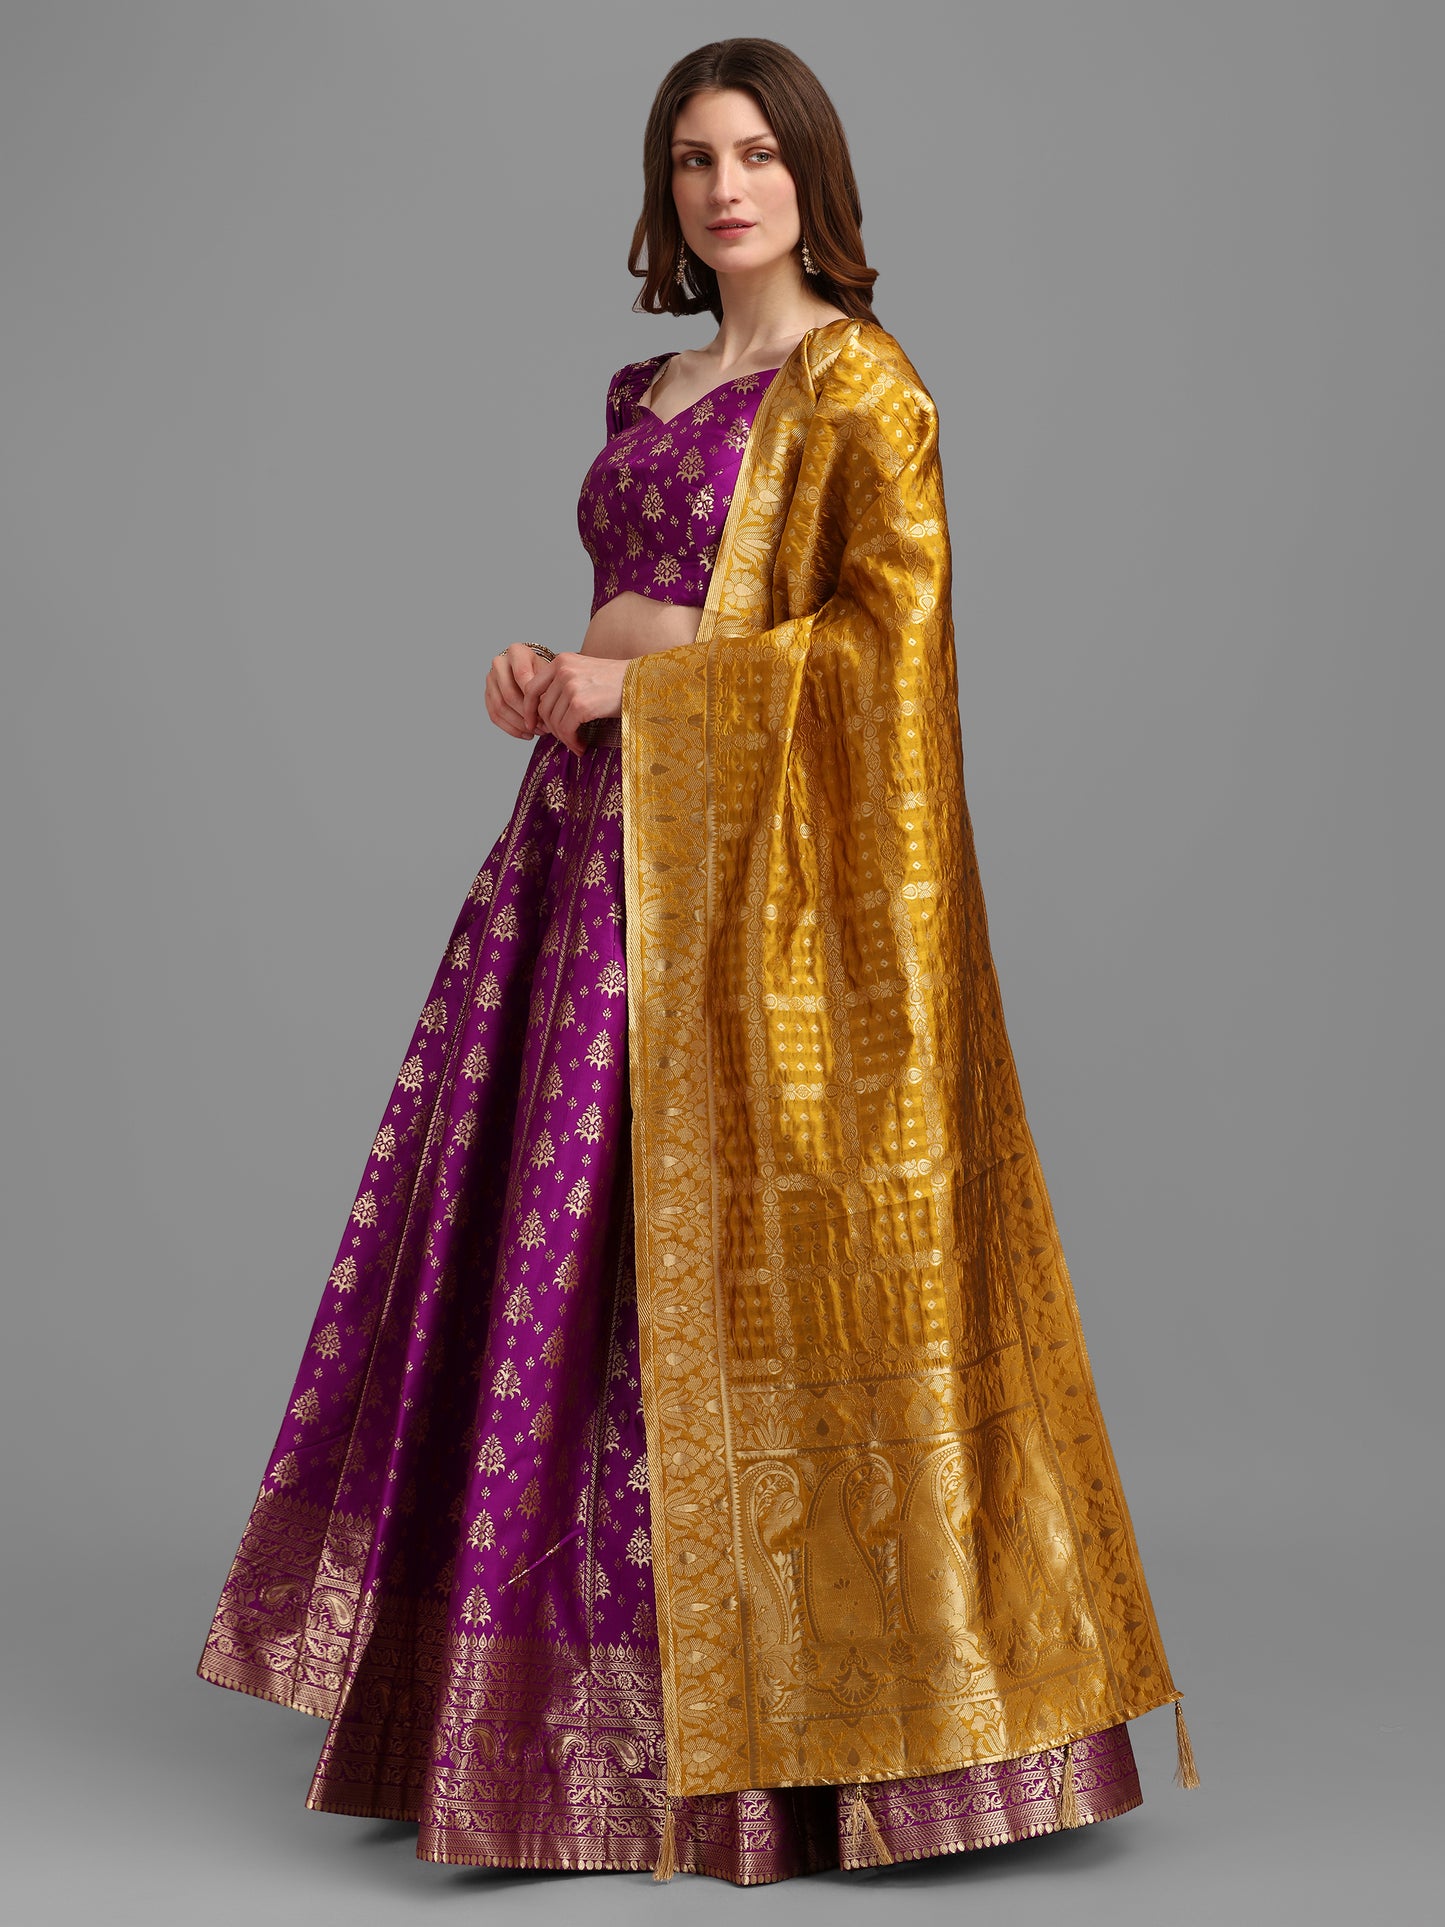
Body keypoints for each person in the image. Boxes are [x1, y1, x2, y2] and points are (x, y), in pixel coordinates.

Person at [199, 36, 1195, 1884]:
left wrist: (640, 694)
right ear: (662, 193)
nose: (723, 189)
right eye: (689, 161)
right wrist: (547, 675)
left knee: (731, 1269)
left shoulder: (862, 388)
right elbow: (637, 612)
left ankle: (804, 1748)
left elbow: (887, 661)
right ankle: (549, 1734)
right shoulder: (646, 385)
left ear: (810, 175)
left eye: (753, 154)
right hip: (594, 848)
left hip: (752, 889)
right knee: (566, 1266)